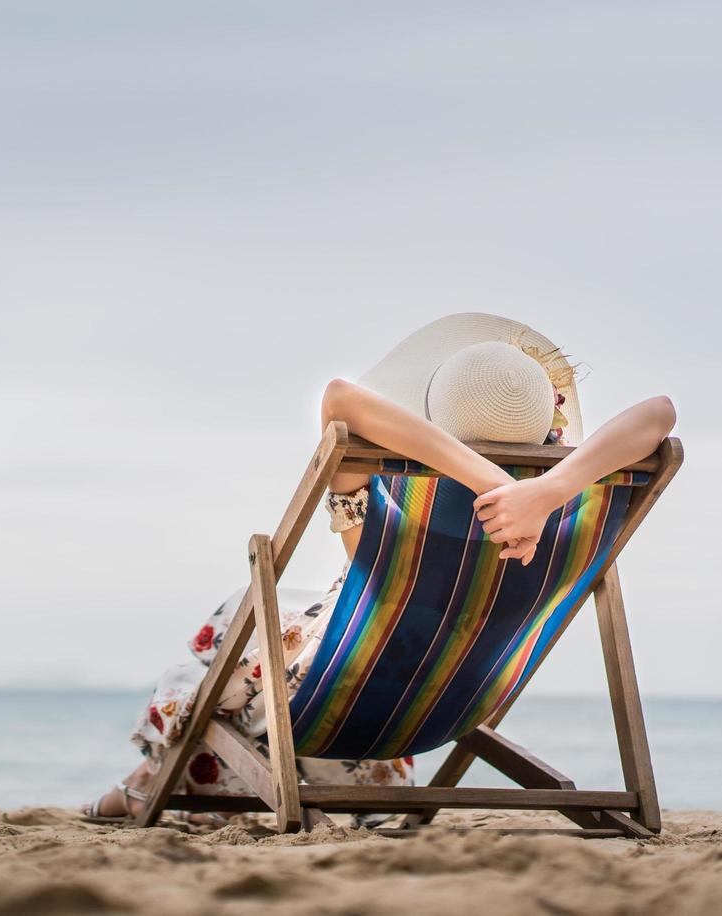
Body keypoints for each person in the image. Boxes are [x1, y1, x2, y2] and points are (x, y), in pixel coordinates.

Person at [82, 313, 677, 825]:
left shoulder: (389, 502)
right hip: (450, 707)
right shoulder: (572, 514)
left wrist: (486, 482)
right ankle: (142, 787)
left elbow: (341, 398)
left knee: (239, 613)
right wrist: (544, 491)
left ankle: (138, 787)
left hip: (323, 701)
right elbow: (660, 414)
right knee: (262, 624)